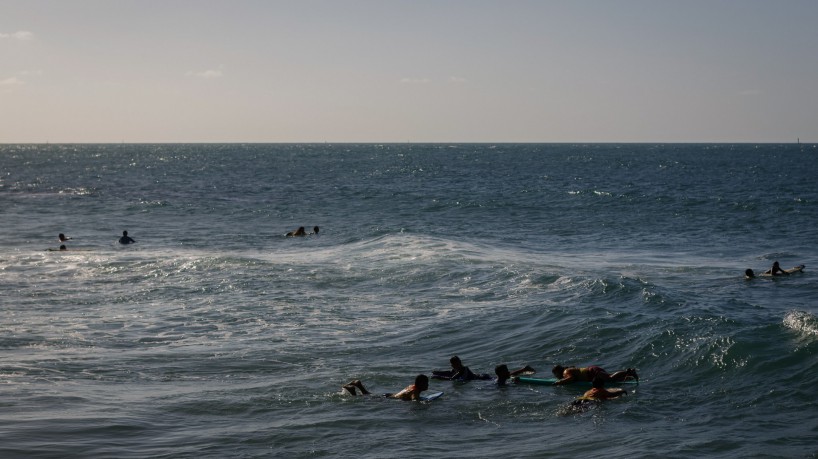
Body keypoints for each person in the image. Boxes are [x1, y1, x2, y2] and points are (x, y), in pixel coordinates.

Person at [342, 374, 430, 401]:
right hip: (389, 399)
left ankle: (358, 384)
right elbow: (414, 400)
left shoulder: (412, 386)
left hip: (389, 395)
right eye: (426, 383)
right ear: (420, 384)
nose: (427, 385)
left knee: (367, 395)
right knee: (363, 399)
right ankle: (352, 391)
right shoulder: (415, 392)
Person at [551, 364, 638, 385]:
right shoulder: (567, 371)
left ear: (558, 371)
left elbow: (571, 378)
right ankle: (629, 378)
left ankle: (629, 372)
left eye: (555, 374)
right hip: (592, 372)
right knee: (612, 379)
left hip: (592, 372)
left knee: (610, 378)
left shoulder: (565, 372)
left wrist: (560, 382)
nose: (556, 376)